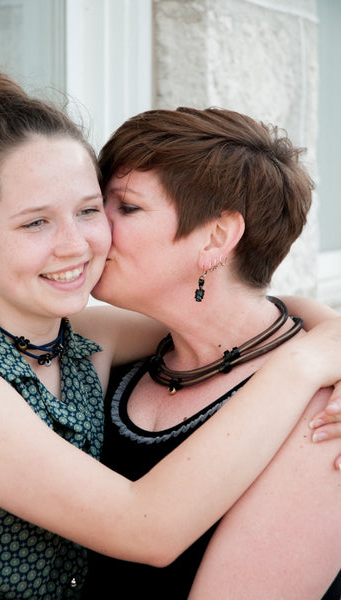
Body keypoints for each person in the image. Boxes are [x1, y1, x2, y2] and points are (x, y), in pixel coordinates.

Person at [0, 60, 341, 600]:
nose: (83, 241)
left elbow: (260, 316)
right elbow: (145, 527)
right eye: (35, 221)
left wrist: (327, 334)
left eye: (96, 209)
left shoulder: (84, 337)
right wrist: (307, 361)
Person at [79, 107, 341, 599]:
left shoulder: (326, 415)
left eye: (127, 207)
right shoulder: (114, 358)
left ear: (217, 237)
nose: (92, 229)